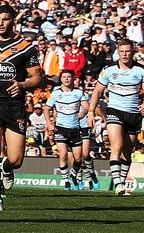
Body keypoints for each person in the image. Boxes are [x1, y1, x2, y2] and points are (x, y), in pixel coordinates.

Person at [0, 3, 43, 212]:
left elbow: (38, 78)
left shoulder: (25, 47)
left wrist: (22, 85)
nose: (0, 23)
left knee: (16, 159)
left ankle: (7, 167)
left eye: (5, 19)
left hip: (14, 106)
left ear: (13, 20)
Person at [87, 39, 144, 196]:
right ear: (117, 52)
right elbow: (97, 92)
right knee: (116, 145)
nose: (125, 54)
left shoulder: (140, 70)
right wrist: (91, 111)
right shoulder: (109, 70)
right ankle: (118, 184)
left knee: (128, 150)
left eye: (128, 51)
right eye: (122, 51)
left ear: (133, 52)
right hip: (115, 111)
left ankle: (123, 183)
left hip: (133, 115)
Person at [47, 70, 88, 190]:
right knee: (63, 155)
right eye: (64, 77)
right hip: (61, 128)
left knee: (78, 159)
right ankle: (66, 182)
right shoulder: (55, 93)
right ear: (61, 79)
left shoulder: (78, 92)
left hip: (75, 129)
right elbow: (46, 108)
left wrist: (83, 112)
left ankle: (73, 175)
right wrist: (49, 124)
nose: (66, 79)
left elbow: (86, 106)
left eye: (69, 77)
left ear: (73, 78)